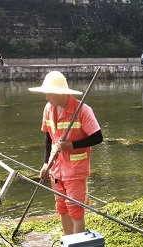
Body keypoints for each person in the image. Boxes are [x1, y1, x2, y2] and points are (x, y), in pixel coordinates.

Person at [29, 71, 103, 237]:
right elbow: (48, 136)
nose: (46, 97)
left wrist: (72, 145)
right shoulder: (49, 109)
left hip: (75, 169)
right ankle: (68, 243)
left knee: (75, 209)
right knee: (61, 207)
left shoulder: (82, 110)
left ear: (59, 93)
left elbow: (98, 137)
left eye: (49, 94)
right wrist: (46, 163)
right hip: (56, 167)